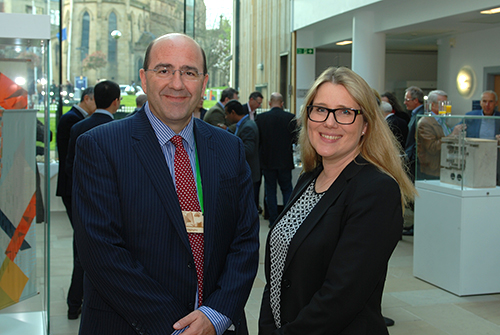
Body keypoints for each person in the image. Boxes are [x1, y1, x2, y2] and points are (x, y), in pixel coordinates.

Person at [72, 33, 259, 335]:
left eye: (189, 72)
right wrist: (180, 328)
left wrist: (215, 314)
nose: (177, 83)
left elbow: (245, 240)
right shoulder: (100, 146)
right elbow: (101, 251)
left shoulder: (229, 148)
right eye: (164, 70)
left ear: (203, 82)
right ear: (144, 80)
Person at [258, 66, 415, 335]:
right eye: (320, 109)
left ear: (365, 125)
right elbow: (279, 274)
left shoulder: (376, 190)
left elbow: (341, 296)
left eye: (345, 112)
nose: (329, 122)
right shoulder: (309, 178)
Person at [55, 86, 96, 319]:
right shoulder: (73, 120)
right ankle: (75, 300)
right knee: (82, 246)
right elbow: (71, 162)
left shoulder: (78, 120)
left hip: (73, 189)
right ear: (87, 99)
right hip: (73, 190)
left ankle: (76, 299)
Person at [65, 80, 120, 183]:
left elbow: (70, 164)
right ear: (116, 102)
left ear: (94, 98)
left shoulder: (77, 127)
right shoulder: (119, 131)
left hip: (82, 188)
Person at [256, 92, 297, 227]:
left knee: (270, 190)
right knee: (287, 190)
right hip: (285, 160)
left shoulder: (261, 118)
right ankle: (288, 219)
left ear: (269, 103)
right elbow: (295, 139)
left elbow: (258, 141)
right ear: (282, 103)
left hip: (268, 161)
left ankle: (273, 220)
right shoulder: (290, 118)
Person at [416, 90, 462, 180]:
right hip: (431, 169)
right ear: (433, 105)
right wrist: (452, 135)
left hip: (445, 166)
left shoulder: (442, 121)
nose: (447, 106)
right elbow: (432, 148)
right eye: (443, 103)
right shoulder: (425, 123)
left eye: (447, 103)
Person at [224, 99, 260, 212]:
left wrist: (228, 149)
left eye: (226, 114)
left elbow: (248, 150)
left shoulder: (247, 126)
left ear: (233, 113)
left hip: (248, 172)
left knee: (248, 209)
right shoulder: (243, 124)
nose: (225, 117)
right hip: (246, 172)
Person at [403, 86, 424, 181]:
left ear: (415, 100)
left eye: (407, 100)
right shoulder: (414, 114)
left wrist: (411, 157)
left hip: (415, 161)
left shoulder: (421, 115)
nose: (405, 103)